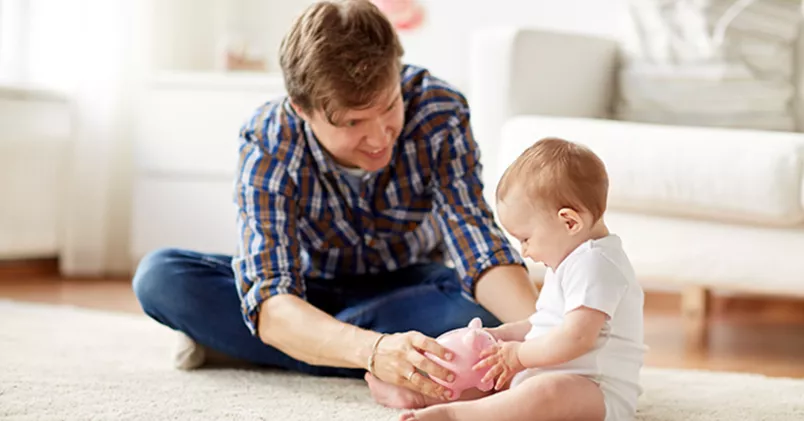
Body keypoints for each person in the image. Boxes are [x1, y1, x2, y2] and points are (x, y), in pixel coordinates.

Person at [131, 0, 537, 403]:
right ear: (302, 109)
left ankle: (264, 347)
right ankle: (350, 348)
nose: (380, 138)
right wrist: (374, 352)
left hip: (410, 288)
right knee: (161, 277)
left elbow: (476, 244)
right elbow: (273, 297)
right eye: (352, 122)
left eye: (390, 106)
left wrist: (544, 337)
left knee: (485, 317)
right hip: (306, 291)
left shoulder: (439, 110)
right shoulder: (269, 138)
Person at [368, 137, 646, 421]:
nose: (523, 250)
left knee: (548, 392)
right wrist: (502, 336)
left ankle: (456, 415)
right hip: (546, 372)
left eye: (526, 239)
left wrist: (519, 356)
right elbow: (543, 326)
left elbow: (576, 337)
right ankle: (424, 395)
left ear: (569, 222)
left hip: (596, 391)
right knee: (489, 371)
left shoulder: (596, 264)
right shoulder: (570, 261)